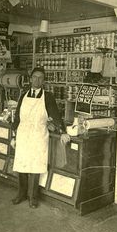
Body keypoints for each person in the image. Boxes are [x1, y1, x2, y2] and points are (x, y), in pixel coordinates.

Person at [10, 67, 70, 209]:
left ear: (43, 81)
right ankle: (21, 194)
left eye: (41, 78)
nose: (37, 80)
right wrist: (13, 136)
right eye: (35, 77)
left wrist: (62, 131)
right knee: (22, 166)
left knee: (35, 167)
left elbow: (55, 115)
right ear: (30, 79)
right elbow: (17, 117)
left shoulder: (47, 96)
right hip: (23, 134)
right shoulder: (23, 95)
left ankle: (33, 197)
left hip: (38, 135)